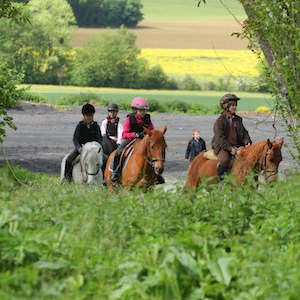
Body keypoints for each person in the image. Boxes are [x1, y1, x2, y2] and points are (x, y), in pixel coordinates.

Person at [110, 97, 165, 184]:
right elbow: (124, 134)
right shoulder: (130, 119)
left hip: (144, 140)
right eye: (141, 110)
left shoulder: (147, 118)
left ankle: (157, 175)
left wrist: (149, 135)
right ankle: (115, 172)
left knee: (155, 152)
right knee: (118, 152)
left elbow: (152, 131)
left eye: (144, 110)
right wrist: (135, 134)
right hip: (131, 139)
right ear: (135, 110)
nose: (143, 112)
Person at [211, 93, 252, 182]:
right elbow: (220, 138)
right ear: (226, 106)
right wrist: (230, 148)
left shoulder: (238, 119)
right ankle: (220, 182)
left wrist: (247, 142)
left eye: (235, 105)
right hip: (223, 147)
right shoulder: (220, 121)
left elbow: (245, 133)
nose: (235, 107)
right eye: (232, 105)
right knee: (225, 160)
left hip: (237, 146)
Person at [63, 103, 102, 182]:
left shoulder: (96, 126)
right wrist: (78, 148)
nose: (89, 117)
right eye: (88, 115)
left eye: (91, 115)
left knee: (107, 159)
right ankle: (67, 177)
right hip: (82, 148)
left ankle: (104, 180)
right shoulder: (80, 125)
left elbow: (99, 138)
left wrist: (97, 147)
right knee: (69, 159)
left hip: (94, 149)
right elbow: (75, 138)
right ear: (84, 116)